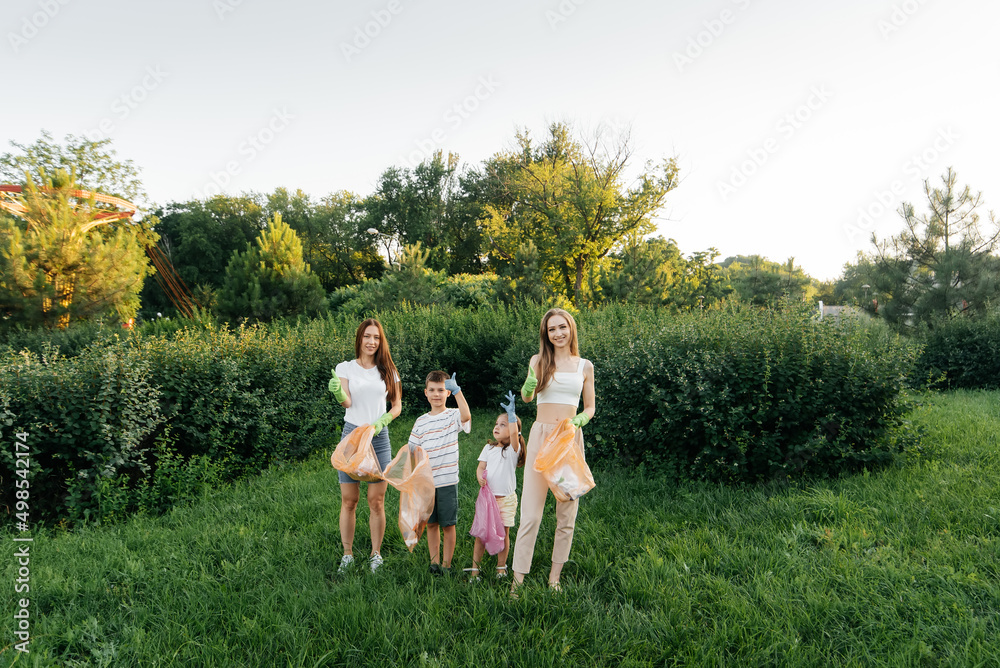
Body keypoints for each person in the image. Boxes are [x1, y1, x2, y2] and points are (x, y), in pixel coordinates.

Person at [511, 308, 595, 594]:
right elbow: (526, 398)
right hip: (541, 437)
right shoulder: (538, 360)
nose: (558, 333)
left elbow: (591, 406)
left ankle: (554, 578)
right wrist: (529, 384)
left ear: (571, 328)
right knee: (530, 514)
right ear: (545, 335)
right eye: (551, 329)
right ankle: (517, 580)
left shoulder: (585, 366)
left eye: (562, 327)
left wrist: (581, 419)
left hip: (570, 439)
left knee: (566, 511)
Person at [328, 318, 402, 573]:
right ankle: (347, 554)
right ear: (359, 338)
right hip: (351, 437)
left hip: (378, 437)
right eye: (367, 336)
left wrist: (383, 421)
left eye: (377, 337)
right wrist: (338, 392)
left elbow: (397, 406)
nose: (372, 342)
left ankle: (376, 554)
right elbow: (347, 403)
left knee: (376, 500)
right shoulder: (345, 367)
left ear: (381, 341)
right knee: (349, 500)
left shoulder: (388, 369)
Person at [407, 370, 471, 575]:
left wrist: (458, 391)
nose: (436, 394)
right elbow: (412, 451)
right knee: (432, 524)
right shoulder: (421, 421)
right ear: (426, 393)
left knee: (448, 525)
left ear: (448, 393)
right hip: (427, 484)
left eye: (441, 390)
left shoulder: (452, 415)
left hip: (447, 481)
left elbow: (467, 416)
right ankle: (434, 564)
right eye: (432, 390)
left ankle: (447, 564)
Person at [467, 391, 525, 581]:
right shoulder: (489, 448)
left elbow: (515, 437)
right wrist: (479, 477)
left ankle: (501, 567)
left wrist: (512, 417)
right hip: (487, 500)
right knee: (481, 534)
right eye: (496, 424)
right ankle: (475, 569)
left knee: (504, 534)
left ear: (514, 430)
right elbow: (480, 467)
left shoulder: (513, 450)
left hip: (506, 500)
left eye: (503, 424)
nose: (497, 427)